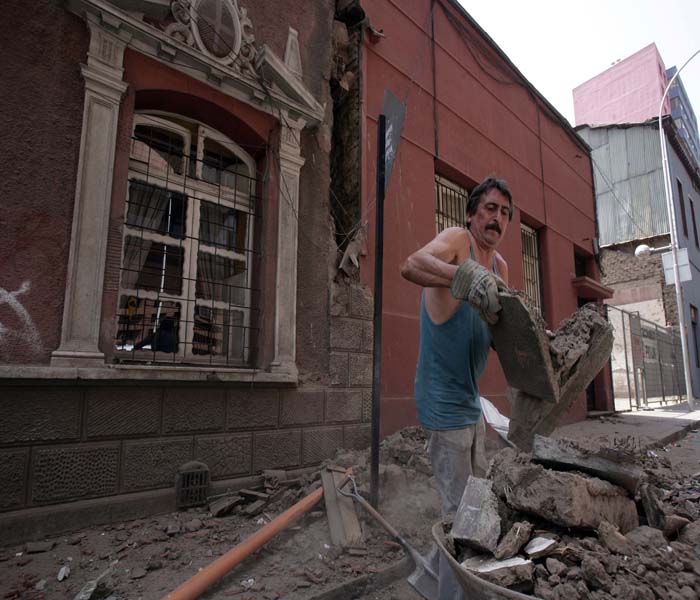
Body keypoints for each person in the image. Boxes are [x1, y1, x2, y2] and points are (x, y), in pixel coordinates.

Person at [400, 176, 513, 599]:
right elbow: (410, 265)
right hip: (440, 399)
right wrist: (461, 276)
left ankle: (432, 580)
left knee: (477, 501)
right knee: (460, 513)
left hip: (471, 403)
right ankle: (453, 593)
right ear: (471, 213)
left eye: (503, 212)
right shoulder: (455, 241)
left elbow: (506, 334)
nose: (496, 218)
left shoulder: (500, 268)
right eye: (489, 208)